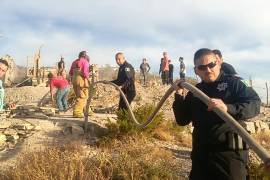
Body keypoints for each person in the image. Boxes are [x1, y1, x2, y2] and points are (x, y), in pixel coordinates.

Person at [172, 48, 261, 179]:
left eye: (211, 65)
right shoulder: (195, 91)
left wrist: (228, 108)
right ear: (196, 70)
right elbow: (182, 120)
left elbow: (255, 104)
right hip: (201, 157)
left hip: (230, 156)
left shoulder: (234, 83)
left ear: (218, 63)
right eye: (202, 67)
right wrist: (179, 96)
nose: (207, 70)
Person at [69, 51, 90, 118]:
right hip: (81, 80)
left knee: (85, 96)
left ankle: (87, 110)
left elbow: (70, 73)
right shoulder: (85, 61)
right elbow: (85, 73)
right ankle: (77, 112)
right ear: (85, 56)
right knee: (82, 97)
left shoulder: (74, 62)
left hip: (74, 80)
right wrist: (88, 79)